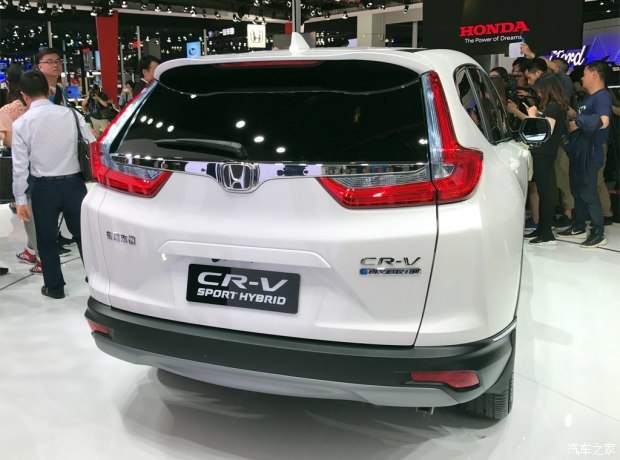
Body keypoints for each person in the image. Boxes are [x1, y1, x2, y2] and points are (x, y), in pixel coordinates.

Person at [12, 70, 96, 299]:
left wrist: (20, 199)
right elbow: (91, 143)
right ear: (49, 91)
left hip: (44, 188)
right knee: (84, 236)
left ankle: (55, 287)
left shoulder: (21, 124)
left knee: (46, 239)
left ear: (23, 95)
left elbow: (19, 167)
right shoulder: (71, 114)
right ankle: (97, 280)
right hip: (74, 185)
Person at [508, 73, 569, 245]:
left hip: (544, 153)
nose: (539, 93)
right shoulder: (556, 105)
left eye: (540, 90)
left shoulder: (554, 106)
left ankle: (546, 231)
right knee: (544, 192)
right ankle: (543, 229)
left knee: (546, 192)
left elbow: (545, 130)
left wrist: (532, 115)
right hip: (545, 153)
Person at [558, 61, 612, 248]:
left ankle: (598, 232)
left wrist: (579, 121)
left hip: (591, 150)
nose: (582, 78)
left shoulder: (602, 96)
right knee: (577, 189)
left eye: (585, 74)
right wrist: (572, 114)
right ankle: (579, 225)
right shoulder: (590, 97)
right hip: (580, 149)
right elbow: (584, 119)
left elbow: (604, 121)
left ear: (595, 74)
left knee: (588, 191)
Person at [0, 65, 46, 274]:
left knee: (29, 213)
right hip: (47, 164)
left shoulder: (7, 111)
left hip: (22, 166)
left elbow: (8, 141)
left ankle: (39, 256)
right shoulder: (43, 108)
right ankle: (33, 250)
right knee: (43, 211)